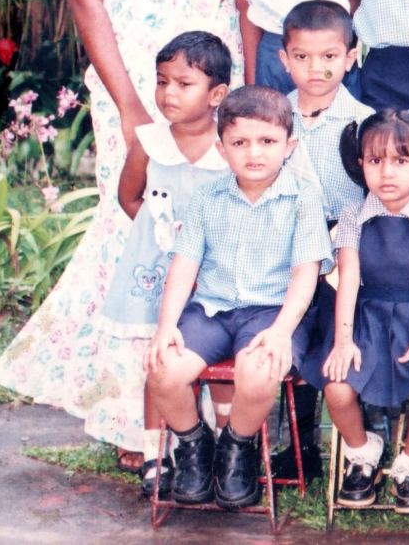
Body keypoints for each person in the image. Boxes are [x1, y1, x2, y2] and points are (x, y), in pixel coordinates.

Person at [0, 0, 256, 469]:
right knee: (136, 231)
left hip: (213, 78)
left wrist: (246, 94)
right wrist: (135, 108)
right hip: (135, 85)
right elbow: (88, 0)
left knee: (218, 224)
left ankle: (217, 412)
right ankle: (133, 421)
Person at [143, 86, 333, 510]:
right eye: (240, 142)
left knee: (260, 370)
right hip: (212, 310)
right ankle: (195, 445)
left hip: (273, 312)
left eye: (267, 141)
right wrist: (166, 326)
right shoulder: (207, 197)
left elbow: (305, 274)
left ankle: (237, 447)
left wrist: (282, 331)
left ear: (289, 146)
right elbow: (184, 265)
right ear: (221, 148)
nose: (254, 153)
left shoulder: (303, 197)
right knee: (163, 368)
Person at [304, 110, 409, 515]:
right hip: (366, 317)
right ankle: (363, 451)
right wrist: (343, 340)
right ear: (361, 165)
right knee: (338, 388)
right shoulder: (353, 216)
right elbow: (348, 279)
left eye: (401, 161)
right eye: (376, 161)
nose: (387, 172)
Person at [101, 32, 233, 499]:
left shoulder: (229, 147)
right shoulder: (150, 143)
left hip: (212, 276)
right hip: (156, 273)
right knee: (158, 362)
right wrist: (163, 236)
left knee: (212, 359)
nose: (168, 93)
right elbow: (128, 197)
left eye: (183, 83)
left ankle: (224, 448)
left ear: (217, 94)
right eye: (162, 82)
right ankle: (157, 455)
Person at [273, 0, 375, 480]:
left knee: (337, 339)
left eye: (329, 56)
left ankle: (357, 444)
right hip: (286, 253)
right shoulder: (273, 118)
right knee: (295, 336)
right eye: (303, 56)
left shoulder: (366, 123)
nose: (316, 68)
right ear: (284, 59)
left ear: (351, 57)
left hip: (346, 254)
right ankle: (298, 446)